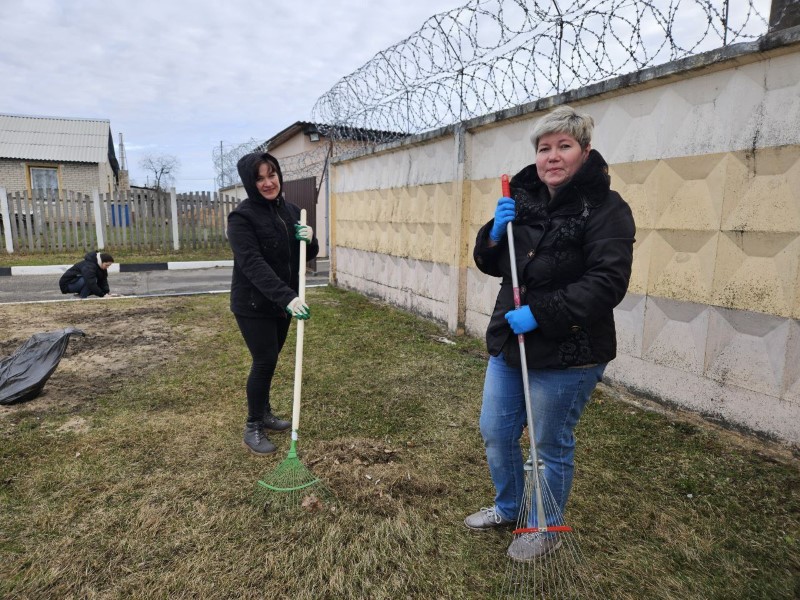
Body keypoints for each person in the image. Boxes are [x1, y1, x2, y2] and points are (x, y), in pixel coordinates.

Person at [467, 106, 635, 561]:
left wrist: (541, 314)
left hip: (569, 351)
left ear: (585, 151)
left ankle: (544, 526)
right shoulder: (522, 200)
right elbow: (493, 263)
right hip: (510, 343)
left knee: (546, 445)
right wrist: (494, 234)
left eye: (565, 146)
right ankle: (509, 507)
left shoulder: (607, 209)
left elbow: (608, 282)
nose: (553, 157)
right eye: (544, 148)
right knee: (496, 431)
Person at [227, 152, 319, 456]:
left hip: (283, 303)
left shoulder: (291, 211)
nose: (268, 183)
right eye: (260, 178)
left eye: (272, 174)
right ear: (250, 183)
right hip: (254, 304)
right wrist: (287, 297)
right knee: (264, 360)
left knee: (271, 359)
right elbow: (252, 264)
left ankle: (264, 412)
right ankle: (253, 425)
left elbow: (302, 255)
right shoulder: (241, 218)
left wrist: (311, 240)